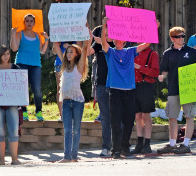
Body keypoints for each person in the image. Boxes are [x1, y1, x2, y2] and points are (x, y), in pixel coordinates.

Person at [100, 18, 151, 159]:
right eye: (115, 38)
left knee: (129, 121)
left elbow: (147, 43)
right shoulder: (110, 52)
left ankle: (125, 147)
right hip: (115, 92)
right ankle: (115, 150)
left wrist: (154, 27)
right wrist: (104, 24)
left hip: (129, 91)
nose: (117, 40)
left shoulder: (130, 51)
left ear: (125, 40)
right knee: (115, 122)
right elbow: (104, 42)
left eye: (120, 38)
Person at [157, 27, 196, 154]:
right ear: (172, 38)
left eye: (183, 36)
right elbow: (165, 70)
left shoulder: (191, 51)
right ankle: (172, 144)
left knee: (189, 116)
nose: (181, 39)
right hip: (173, 89)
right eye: (178, 37)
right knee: (172, 117)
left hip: (189, 90)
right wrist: (162, 76)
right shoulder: (167, 53)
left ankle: (186, 145)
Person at [53, 32, 91, 163]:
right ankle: (66, 156)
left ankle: (74, 156)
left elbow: (85, 48)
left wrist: (87, 35)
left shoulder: (79, 67)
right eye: (67, 52)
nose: (68, 54)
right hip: (66, 101)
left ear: (76, 55)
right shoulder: (64, 66)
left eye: (71, 52)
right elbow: (57, 48)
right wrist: (54, 31)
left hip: (77, 102)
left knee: (76, 129)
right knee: (67, 129)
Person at [10, 14, 49, 121]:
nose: (29, 23)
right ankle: (24, 112)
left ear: (34, 23)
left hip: (36, 65)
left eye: (31, 21)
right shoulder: (19, 34)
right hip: (21, 64)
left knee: (37, 89)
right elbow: (14, 48)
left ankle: (39, 112)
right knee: (23, 89)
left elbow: (42, 51)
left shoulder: (37, 35)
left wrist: (46, 40)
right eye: (27, 21)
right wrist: (13, 34)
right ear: (24, 22)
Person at [0, 45, 21, 165]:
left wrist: (22, 99)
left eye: (8, 54)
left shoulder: (16, 68)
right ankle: (1, 160)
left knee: (14, 131)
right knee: (0, 131)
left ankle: (14, 159)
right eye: (4, 54)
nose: (6, 56)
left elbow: (21, 86)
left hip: (13, 104)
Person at [131, 41, 159, 154]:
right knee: (137, 116)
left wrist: (140, 67)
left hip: (146, 86)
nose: (140, 42)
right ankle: (139, 143)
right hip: (134, 86)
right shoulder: (133, 52)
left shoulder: (153, 54)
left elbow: (155, 72)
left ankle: (147, 144)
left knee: (146, 115)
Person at [91, 25, 113, 156]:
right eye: (105, 28)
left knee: (118, 117)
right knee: (105, 118)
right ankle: (106, 147)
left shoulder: (119, 42)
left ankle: (119, 146)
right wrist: (88, 38)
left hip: (117, 84)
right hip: (101, 83)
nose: (106, 31)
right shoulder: (98, 43)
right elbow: (88, 51)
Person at [53, 42, 73, 122]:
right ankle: (62, 115)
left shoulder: (76, 34)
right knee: (60, 89)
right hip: (59, 64)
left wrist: (70, 47)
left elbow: (80, 49)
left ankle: (71, 115)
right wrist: (57, 44)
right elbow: (54, 51)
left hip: (73, 64)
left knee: (72, 89)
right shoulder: (60, 35)